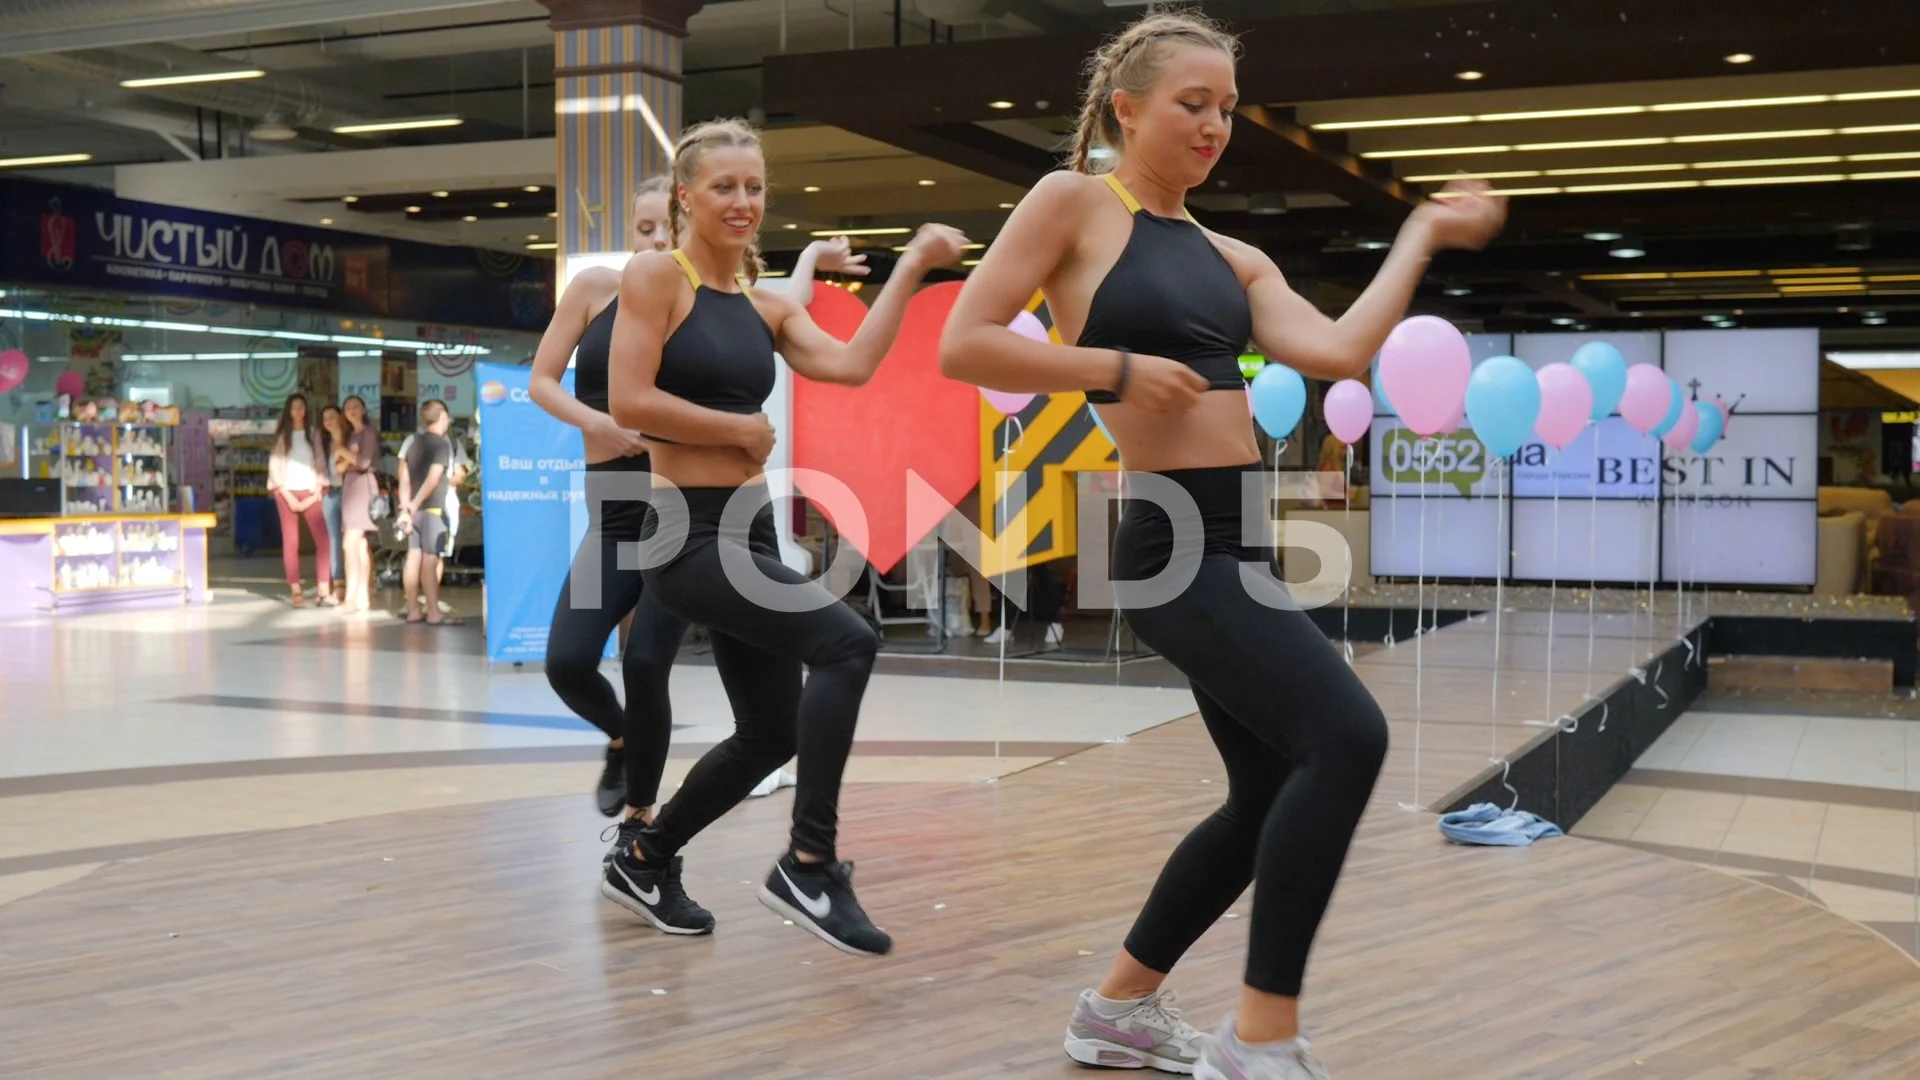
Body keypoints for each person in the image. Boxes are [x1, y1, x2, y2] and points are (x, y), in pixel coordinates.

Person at [941, 11, 1506, 1078]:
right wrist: (1108, 371)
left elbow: (1340, 352)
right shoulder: (1073, 204)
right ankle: (1261, 1038)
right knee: (1346, 737)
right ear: (1128, 107)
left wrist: (1420, 236)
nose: (1214, 127)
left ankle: (1117, 1009)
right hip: (1164, 540)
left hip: (1237, 537)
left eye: (1228, 111)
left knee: (1264, 796)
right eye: (1192, 105)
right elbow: (962, 344)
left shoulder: (1231, 256)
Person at [602, 117, 966, 952]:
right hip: (684, 536)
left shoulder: (764, 305)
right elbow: (628, 401)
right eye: (724, 187)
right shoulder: (659, 276)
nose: (742, 202)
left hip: (750, 531)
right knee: (848, 642)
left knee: (773, 730)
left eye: (755, 188)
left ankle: (646, 856)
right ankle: (810, 861)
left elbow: (851, 366)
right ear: (685, 194)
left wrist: (909, 268)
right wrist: (734, 432)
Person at [532, 176, 862, 824]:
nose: (655, 239)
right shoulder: (597, 289)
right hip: (613, 510)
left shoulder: (696, 299)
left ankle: (640, 819)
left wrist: (808, 263)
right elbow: (543, 382)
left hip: (674, 508)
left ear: (683, 226)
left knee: (647, 660)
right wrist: (595, 422)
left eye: (664, 228)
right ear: (631, 231)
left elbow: (772, 310)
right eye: (644, 228)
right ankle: (622, 738)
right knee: (568, 662)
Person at [266, 392, 336, 608]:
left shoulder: (313, 434)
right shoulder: (281, 437)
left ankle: (323, 589)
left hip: (310, 492)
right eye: (294, 407)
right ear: (288, 411)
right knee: (291, 542)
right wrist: (286, 494)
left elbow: (321, 462)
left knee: (323, 541)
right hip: (285, 492)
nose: (298, 411)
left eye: (301, 407)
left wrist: (316, 492)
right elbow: (274, 466)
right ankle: (296, 589)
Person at [396, 400, 461, 626]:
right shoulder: (442, 445)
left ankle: (414, 610)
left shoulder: (412, 442)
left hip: (413, 512)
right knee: (430, 560)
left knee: (413, 557)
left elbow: (403, 476)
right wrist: (415, 503)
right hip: (433, 509)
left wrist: (406, 506)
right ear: (442, 416)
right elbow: (434, 479)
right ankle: (433, 612)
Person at [337, 395, 381, 613]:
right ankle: (362, 595)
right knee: (360, 544)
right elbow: (338, 468)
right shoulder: (349, 435)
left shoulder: (369, 433)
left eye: (356, 406)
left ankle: (351, 597)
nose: (352, 411)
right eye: (347, 408)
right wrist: (349, 456)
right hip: (350, 486)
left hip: (363, 487)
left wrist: (346, 454)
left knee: (349, 543)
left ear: (364, 409)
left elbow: (364, 462)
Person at [318, 404, 348, 604]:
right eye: (325, 418)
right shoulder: (323, 443)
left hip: (350, 493)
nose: (329, 421)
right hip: (330, 494)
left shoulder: (350, 439)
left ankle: (359, 586)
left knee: (354, 541)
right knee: (334, 541)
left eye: (332, 416)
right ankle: (338, 586)